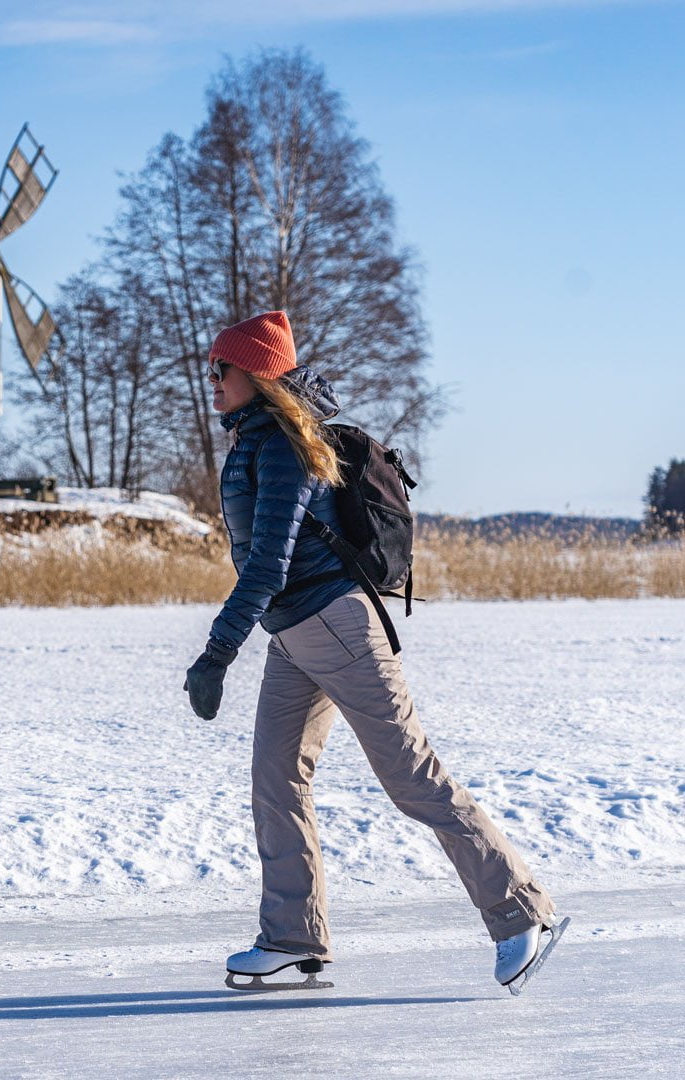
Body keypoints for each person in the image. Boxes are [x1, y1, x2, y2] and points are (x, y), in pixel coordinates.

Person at [183, 310, 560, 991]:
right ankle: (293, 938)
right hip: (296, 634)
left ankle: (521, 911)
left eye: (221, 369)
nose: (210, 381)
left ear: (257, 376)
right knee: (275, 777)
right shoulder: (255, 439)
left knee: (411, 777)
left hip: (333, 625)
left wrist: (216, 654)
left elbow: (267, 565)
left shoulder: (282, 446)